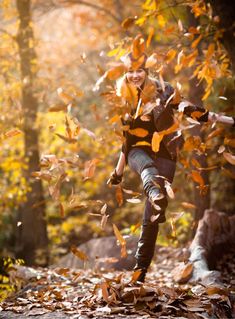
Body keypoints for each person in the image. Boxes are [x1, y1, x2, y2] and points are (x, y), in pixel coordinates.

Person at [107, 44, 235, 283]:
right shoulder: (122, 98)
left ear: (146, 70)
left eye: (139, 70)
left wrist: (228, 120)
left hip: (165, 152)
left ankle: (139, 273)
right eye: (130, 70)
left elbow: (192, 111)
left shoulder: (164, 91)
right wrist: (118, 171)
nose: (135, 74)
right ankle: (154, 190)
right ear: (125, 72)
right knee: (149, 174)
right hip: (137, 152)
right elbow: (127, 140)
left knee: (152, 217)